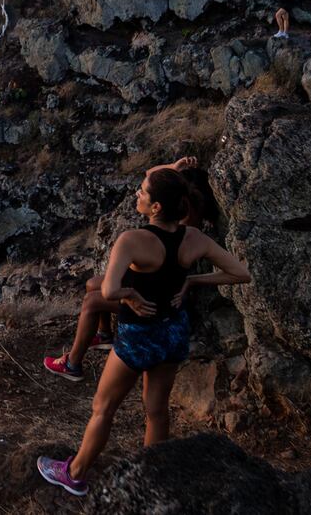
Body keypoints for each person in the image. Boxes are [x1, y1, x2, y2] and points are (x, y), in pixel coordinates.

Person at [37, 169, 251, 497]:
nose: (138, 194)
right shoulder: (194, 238)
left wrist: (131, 296)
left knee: (103, 407)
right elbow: (240, 273)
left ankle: (75, 474)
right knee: (157, 411)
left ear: (155, 208)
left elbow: (108, 290)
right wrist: (192, 280)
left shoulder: (133, 240)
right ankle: (153, 480)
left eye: (142, 192)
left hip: (139, 336)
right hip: (174, 334)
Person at [43, 157, 209, 382]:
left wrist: (131, 294)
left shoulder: (182, 222)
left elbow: (150, 176)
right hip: (153, 283)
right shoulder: (182, 209)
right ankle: (104, 335)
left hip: (154, 300)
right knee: (93, 283)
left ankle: (72, 364)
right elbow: (150, 174)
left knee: (92, 300)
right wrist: (174, 167)